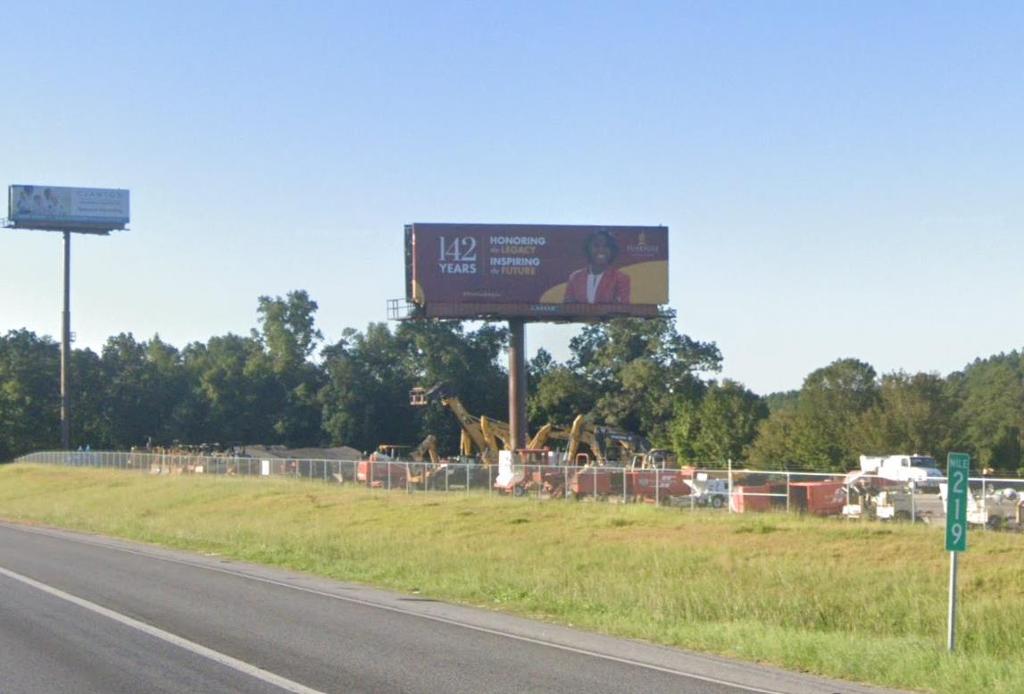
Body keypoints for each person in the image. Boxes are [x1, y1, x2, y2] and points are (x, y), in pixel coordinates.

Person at [563, 230, 631, 304]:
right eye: (596, 246)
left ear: (612, 250)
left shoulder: (621, 278)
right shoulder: (575, 277)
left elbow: (622, 310)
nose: (601, 250)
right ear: (588, 249)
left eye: (606, 246)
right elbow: (567, 308)